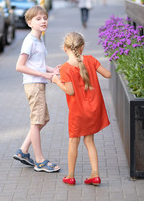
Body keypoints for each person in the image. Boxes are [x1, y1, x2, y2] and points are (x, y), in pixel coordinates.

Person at [52, 32, 111, 185]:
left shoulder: (65, 68)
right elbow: (108, 74)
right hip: (93, 110)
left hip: (78, 113)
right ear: (82, 47)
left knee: (73, 142)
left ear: (65, 48)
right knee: (90, 141)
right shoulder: (90, 60)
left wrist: (57, 81)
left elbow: (70, 91)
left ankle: (70, 175)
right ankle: (95, 174)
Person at [13, 5, 61, 173]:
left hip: (38, 84)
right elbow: (20, 66)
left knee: (43, 119)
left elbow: (39, 64)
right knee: (36, 122)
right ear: (29, 23)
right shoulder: (29, 41)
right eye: (38, 19)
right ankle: (39, 161)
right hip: (33, 85)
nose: (43, 21)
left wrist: (51, 70)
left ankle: (23, 151)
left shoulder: (39, 40)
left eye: (45, 18)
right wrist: (44, 75)